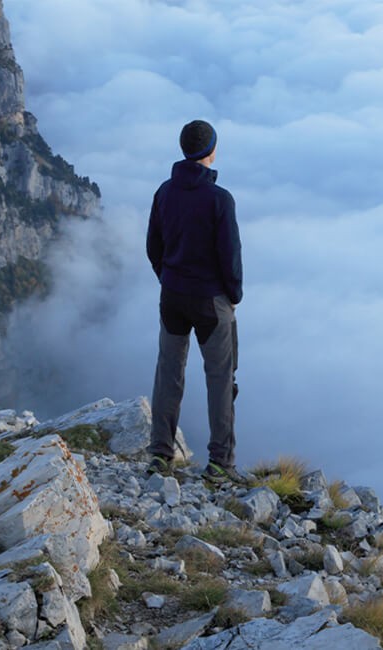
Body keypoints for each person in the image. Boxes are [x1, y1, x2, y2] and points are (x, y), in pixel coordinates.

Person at [146, 119, 244, 483]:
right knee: (220, 379)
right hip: (210, 300)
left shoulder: (165, 192)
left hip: (172, 295)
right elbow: (230, 255)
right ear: (211, 151)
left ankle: (160, 454)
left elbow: (153, 246)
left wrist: (167, 276)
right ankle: (221, 464)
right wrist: (233, 296)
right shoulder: (220, 199)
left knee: (168, 373)